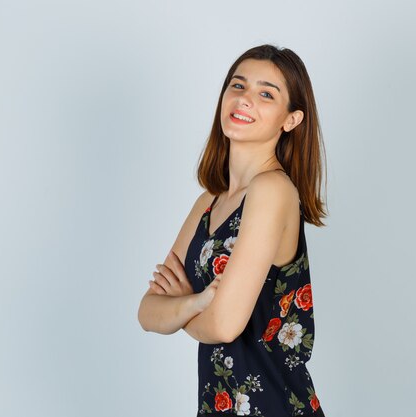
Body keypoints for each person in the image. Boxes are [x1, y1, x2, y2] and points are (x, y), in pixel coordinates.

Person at [137, 44, 328, 417]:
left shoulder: (272, 190)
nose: (244, 100)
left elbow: (225, 325)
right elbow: (147, 312)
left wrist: (180, 314)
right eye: (237, 86)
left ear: (290, 120)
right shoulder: (210, 200)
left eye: (266, 94)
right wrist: (198, 302)